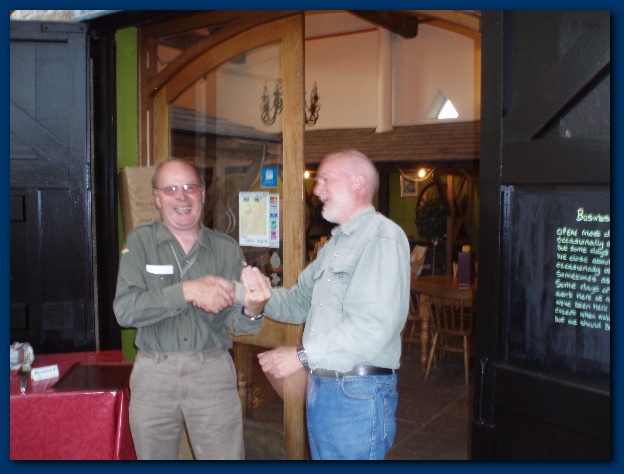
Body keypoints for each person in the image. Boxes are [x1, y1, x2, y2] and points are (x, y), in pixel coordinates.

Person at [239, 149, 410, 460]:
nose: (316, 190)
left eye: (325, 179)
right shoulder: (333, 246)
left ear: (358, 182)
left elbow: (371, 326)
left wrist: (301, 356)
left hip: (357, 394)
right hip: (325, 388)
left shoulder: (382, 236)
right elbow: (297, 302)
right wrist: (243, 292)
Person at [113, 158, 263, 460]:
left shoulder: (226, 249)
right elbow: (125, 311)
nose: (181, 196)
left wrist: (253, 310)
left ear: (202, 193)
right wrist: (187, 291)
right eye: (170, 189)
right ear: (157, 198)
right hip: (154, 374)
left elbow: (238, 322)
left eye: (189, 187)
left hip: (211, 372)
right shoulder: (140, 243)